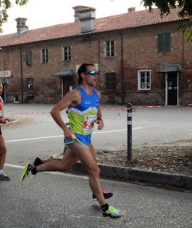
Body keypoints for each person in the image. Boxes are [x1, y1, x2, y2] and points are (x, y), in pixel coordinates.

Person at [19, 63, 126, 219]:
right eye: (92, 73)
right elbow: (54, 111)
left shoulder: (97, 94)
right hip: (75, 137)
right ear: (83, 75)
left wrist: (100, 119)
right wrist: (65, 129)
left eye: (97, 73)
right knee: (94, 170)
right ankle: (105, 208)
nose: (96, 75)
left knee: (65, 166)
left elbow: (97, 107)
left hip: (87, 137)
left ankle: (33, 169)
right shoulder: (75, 94)